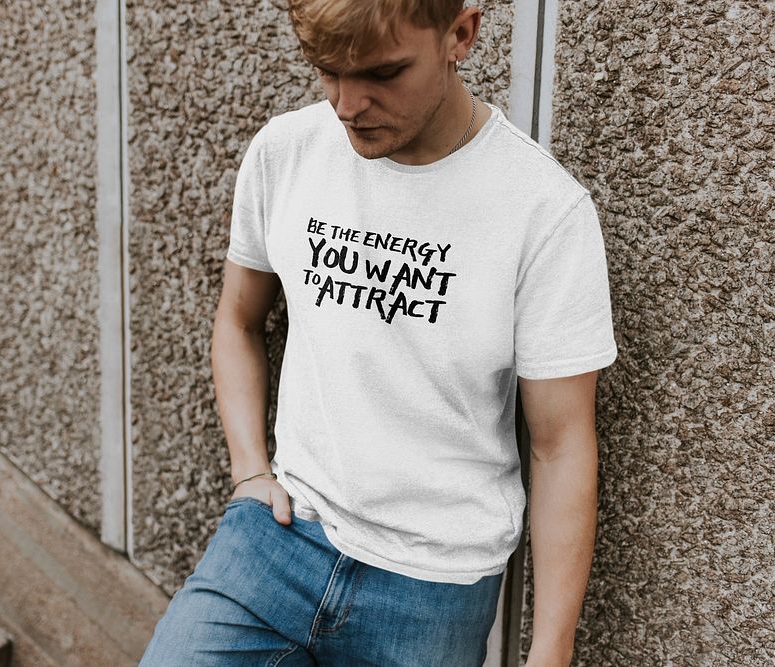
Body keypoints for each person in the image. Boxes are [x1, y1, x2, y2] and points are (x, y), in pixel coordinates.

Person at [140, 1, 617, 665]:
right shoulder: (287, 152)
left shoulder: (543, 211)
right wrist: (249, 468)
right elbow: (238, 318)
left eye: (383, 74)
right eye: (327, 72)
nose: (347, 104)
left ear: (461, 34)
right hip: (277, 538)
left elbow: (562, 443)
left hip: (432, 587)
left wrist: (551, 649)